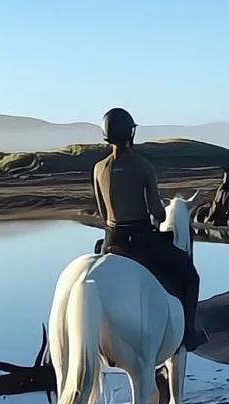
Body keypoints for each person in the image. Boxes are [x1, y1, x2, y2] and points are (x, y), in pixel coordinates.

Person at [93, 107, 205, 351]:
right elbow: (156, 210)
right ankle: (188, 333)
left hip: (112, 241)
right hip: (141, 241)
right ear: (130, 134)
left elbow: (103, 213)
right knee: (190, 277)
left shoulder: (98, 168)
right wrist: (163, 214)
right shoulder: (142, 165)